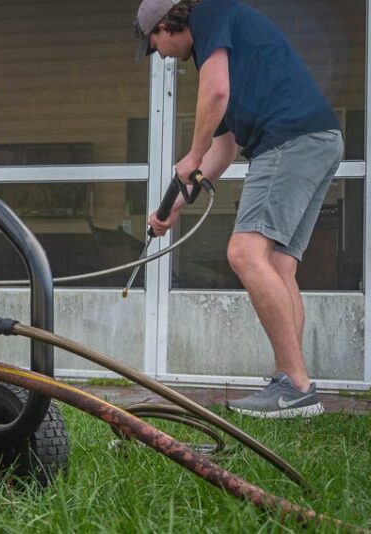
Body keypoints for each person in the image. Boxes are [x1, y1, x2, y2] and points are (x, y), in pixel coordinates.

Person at [134, 0, 344, 418]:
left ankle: (297, 386)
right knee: (279, 265)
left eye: (154, 43)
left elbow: (215, 93)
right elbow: (225, 147)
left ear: (164, 24)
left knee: (244, 252)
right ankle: (292, 383)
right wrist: (175, 205)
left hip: (288, 138)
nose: (158, 53)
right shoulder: (222, 48)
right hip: (320, 138)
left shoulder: (209, 15)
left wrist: (191, 155)